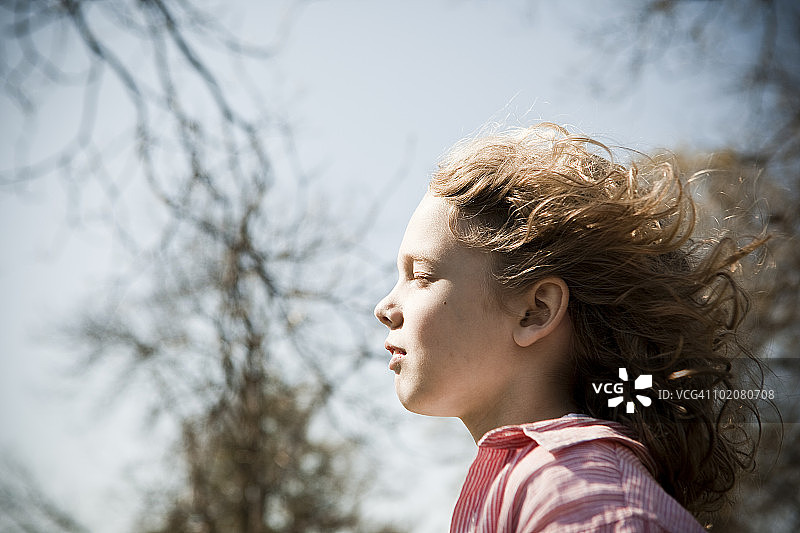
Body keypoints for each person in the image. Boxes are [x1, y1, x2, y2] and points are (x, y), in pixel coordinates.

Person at [373, 123, 766, 532]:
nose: (384, 307)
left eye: (420, 275)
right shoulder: (538, 488)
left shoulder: (583, 497)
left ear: (536, 311)